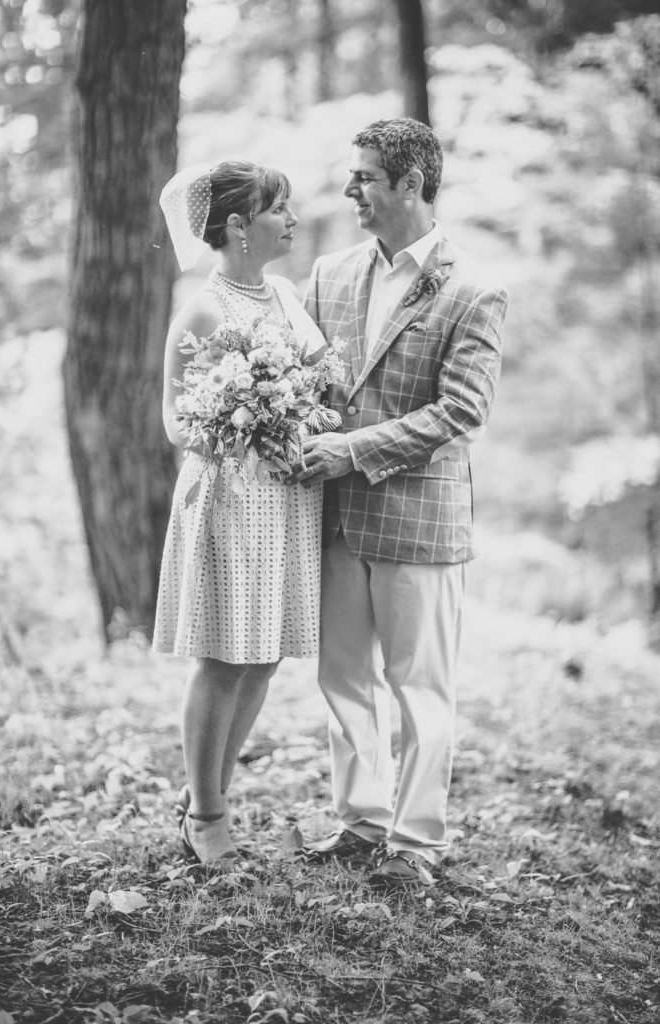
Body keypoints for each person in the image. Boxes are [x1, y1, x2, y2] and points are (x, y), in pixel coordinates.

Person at [297, 118, 508, 889]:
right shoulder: (329, 273)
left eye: (364, 177)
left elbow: (462, 413)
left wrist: (351, 448)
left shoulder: (475, 290)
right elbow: (315, 388)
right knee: (343, 676)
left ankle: (414, 844)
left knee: (420, 686)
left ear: (411, 184)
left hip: (421, 520)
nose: (351, 189)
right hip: (336, 517)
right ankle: (361, 822)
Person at [153, 161, 326, 867]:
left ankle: (205, 804)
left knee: (266, 657)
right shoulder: (201, 309)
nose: (290, 218)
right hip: (227, 495)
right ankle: (208, 812)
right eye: (278, 208)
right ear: (236, 227)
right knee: (225, 658)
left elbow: (325, 377)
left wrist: (295, 406)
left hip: (284, 499)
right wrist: (237, 423)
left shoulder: (285, 294)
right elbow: (173, 421)